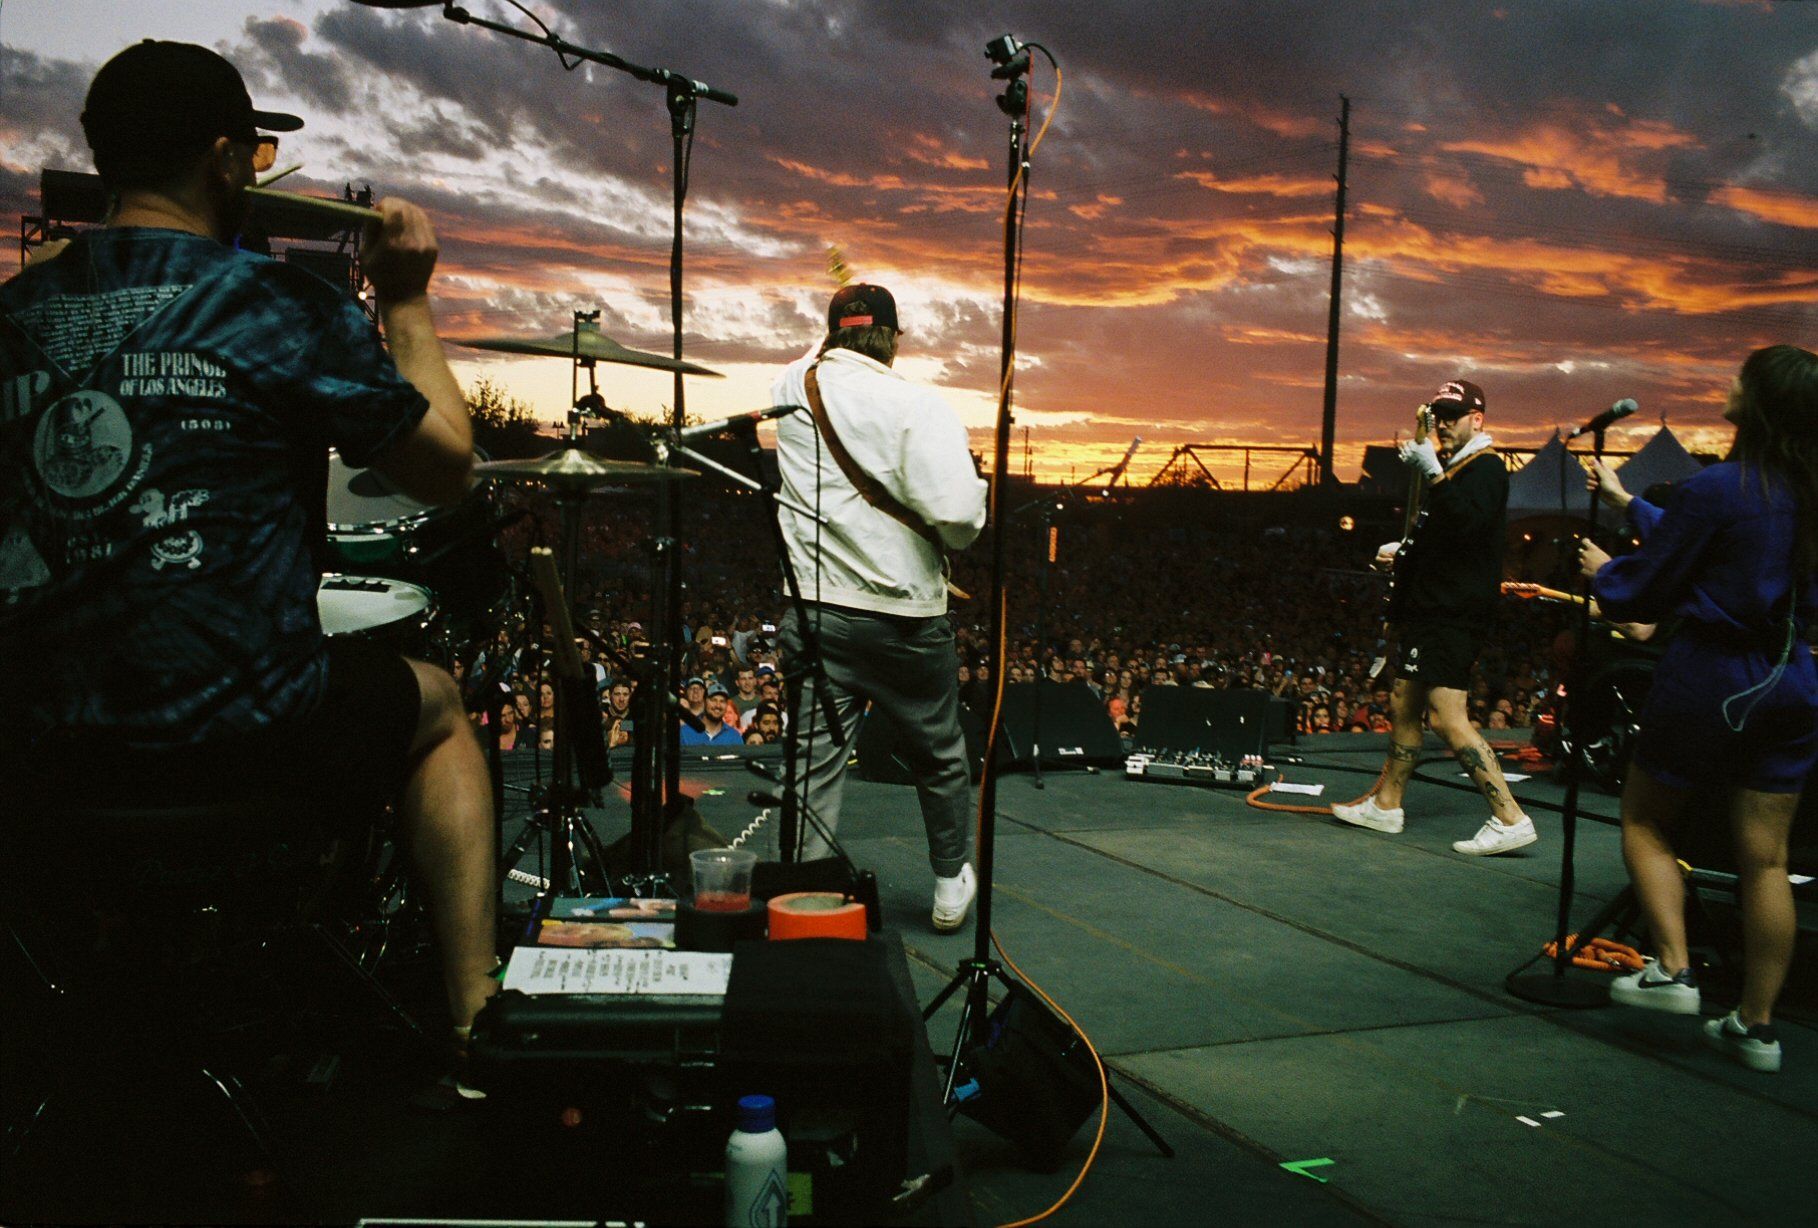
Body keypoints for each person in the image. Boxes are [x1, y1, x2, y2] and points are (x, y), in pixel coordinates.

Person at [0, 42, 497, 1036]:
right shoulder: (276, 308)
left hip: (40, 755)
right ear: (227, 159)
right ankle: (475, 1023)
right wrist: (404, 299)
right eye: (255, 160)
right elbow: (446, 471)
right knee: (437, 704)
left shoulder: (16, 313)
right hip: (238, 746)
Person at [1580, 346, 1817, 1072]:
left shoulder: (1721, 486)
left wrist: (1605, 573)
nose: (1729, 383)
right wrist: (1631, 502)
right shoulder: (1805, 492)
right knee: (1767, 859)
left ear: (1763, 402)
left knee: (1647, 818)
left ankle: (1673, 971)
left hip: (1712, 672)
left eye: (1742, 378)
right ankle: (1756, 1027)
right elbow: (1738, 543)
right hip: (1795, 678)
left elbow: (1651, 585)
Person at [771, 283, 987, 932]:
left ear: (833, 333)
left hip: (814, 612)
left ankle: (807, 893)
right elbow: (956, 516)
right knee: (939, 752)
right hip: (902, 618)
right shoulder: (918, 403)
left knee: (812, 762)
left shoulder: (790, 385)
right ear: (894, 338)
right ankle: (950, 882)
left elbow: (813, 360)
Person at [1332, 378, 1538, 854]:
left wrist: (1435, 475)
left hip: (1454, 612)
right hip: (1434, 608)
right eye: (1439, 415)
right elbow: (1445, 540)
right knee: (1405, 702)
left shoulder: (1485, 470)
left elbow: (1468, 527)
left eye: (1453, 416)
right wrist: (1404, 551)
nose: (1443, 424)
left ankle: (1510, 816)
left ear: (1477, 420)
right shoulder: (1457, 468)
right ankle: (1386, 806)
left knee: (1447, 718)